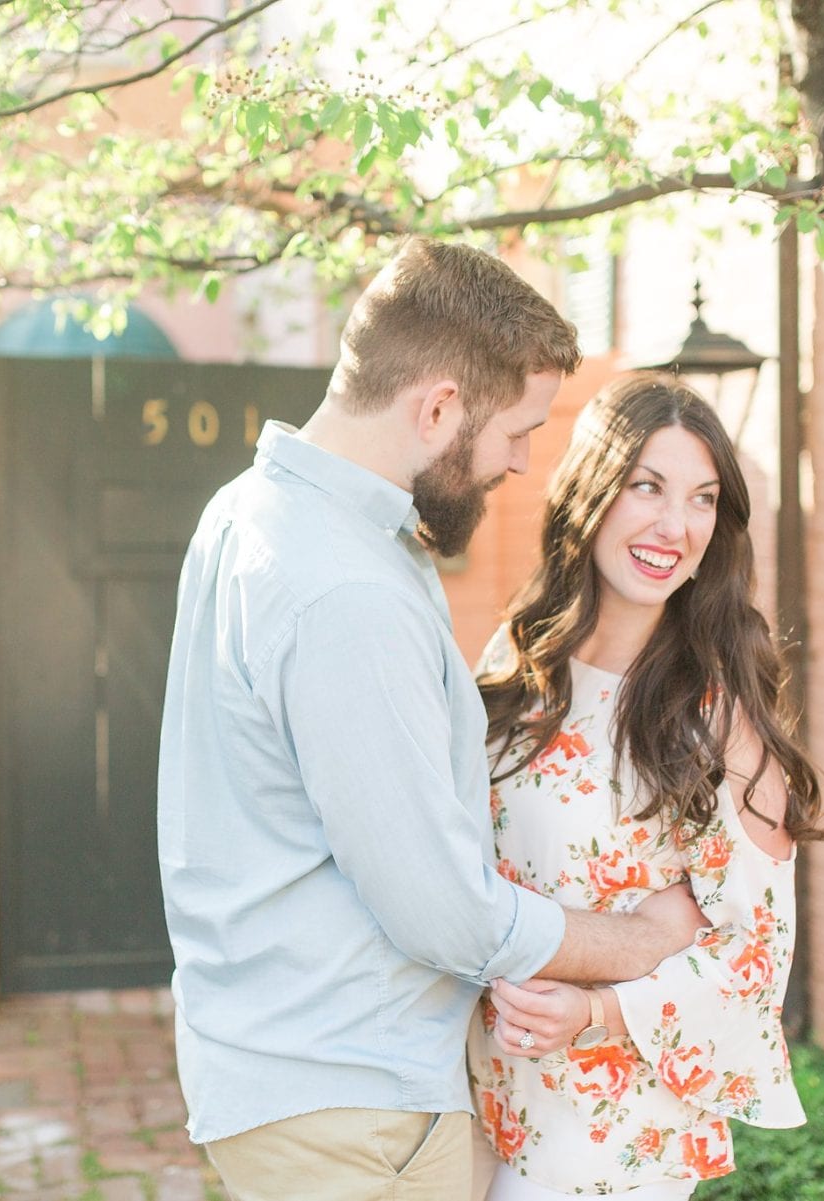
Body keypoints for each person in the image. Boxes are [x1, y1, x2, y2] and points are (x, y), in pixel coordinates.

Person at [157, 241, 711, 1201]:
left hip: (290, 1078)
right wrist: (644, 939)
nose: (522, 461)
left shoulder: (251, 513)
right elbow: (444, 912)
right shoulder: (343, 589)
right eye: (516, 430)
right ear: (440, 407)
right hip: (357, 1106)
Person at [468, 372, 824, 1199]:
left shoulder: (717, 717)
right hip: (479, 1106)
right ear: (592, 492)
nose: (675, 525)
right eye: (648, 487)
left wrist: (595, 1011)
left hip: (615, 1140)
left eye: (702, 499)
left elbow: (755, 955)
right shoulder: (517, 664)